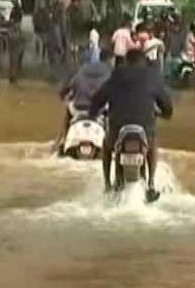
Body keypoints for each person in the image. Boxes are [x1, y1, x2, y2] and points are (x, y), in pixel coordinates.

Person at [90, 49, 173, 199]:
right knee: (152, 145)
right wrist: (164, 114)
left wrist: (93, 113)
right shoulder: (153, 76)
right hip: (144, 129)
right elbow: (167, 105)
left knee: (107, 146)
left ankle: (108, 185)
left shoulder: (116, 75)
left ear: (127, 61)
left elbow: (97, 99)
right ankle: (151, 184)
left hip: (117, 129)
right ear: (144, 61)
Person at [53, 50, 114, 152]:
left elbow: (66, 88)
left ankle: (62, 139)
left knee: (69, 110)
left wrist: (63, 96)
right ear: (110, 60)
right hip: (100, 110)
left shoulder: (82, 71)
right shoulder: (110, 73)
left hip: (79, 108)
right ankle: (111, 140)